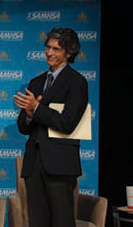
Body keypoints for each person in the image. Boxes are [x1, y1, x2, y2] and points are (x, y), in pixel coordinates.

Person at [13, 28, 88, 227]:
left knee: (62, 220)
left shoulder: (77, 82)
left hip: (60, 165)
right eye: (48, 47)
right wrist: (29, 115)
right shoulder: (36, 82)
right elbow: (23, 127)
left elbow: (68, 122)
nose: (49, 52)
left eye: (56, 48)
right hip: (34, 164)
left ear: (69, 53)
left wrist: (37, 109)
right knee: (37, 221)